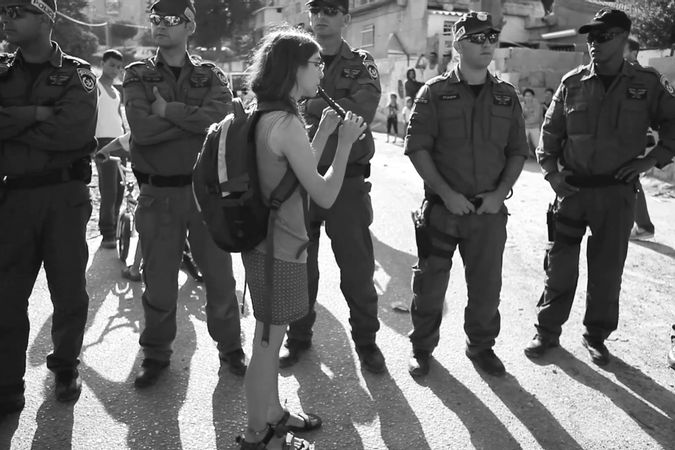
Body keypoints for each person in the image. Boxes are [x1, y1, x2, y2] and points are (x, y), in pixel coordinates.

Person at [233, 27, 366, 450]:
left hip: (264, 243)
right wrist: (344, 143)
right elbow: (323, 191)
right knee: (268, 343)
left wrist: (324, 133)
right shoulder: (287, 122)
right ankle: (257, 434)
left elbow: (286, 173)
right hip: (281, 247)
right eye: (315, 63)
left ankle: (272, 414)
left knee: (267, 336)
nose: (321, 69)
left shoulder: (266, 113)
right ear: (294, 68)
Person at [525, 9, 675, 366]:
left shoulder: (647, 84)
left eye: (603, 36)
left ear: (624, 39)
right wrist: (552, 175)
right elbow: (550, 134)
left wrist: (649, 161)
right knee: (559, 266)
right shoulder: (572, 82)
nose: (594, 43)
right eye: (591, 37)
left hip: (616, 195)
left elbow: (673, 123)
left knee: (607, 271)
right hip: (573, 193)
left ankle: (596, 336)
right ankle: (546, 332)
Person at [122, 0, 245, 387]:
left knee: (221, 280)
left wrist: (167, 111)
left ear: (190, 25)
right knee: (158, 282)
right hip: (159, 195)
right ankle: (156, 354)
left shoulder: (211, 75)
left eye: (170, 19)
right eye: (155, 18)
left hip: (205, 196)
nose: (159, 25)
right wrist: (190, 121)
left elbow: (221, 121)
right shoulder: (138, 73)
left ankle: (231, 349)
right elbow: (141, 131)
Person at [404, 11, 528, 378]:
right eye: (477, 37)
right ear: (458, 44)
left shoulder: (506, 96)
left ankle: (481, 347)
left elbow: (518, 150)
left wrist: (500, 193)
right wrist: (445, 192)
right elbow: (417, 148)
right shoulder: (434, 93)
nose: (487, 42)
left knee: (487, 289)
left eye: (491, 36)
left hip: (488, 214)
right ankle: (422, 348)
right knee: (429, 285)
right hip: (444, 211)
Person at [0, 0, 98, 414]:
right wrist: (41, 112)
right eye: (4, 12)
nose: (7, 19)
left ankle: (64, 365)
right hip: (13, 197)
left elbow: (73, 132)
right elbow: (55, 126)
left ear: (45, 18)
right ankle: (7, 383)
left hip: (64, 197)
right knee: (6, 296)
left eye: (17, 12)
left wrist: (13, 121)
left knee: (69, 289)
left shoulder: (78, 73)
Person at [279, 0, 385, 374]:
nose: (321, 16)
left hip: (348, 181)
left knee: (356, 267)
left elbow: (360, 113)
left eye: (331, 9)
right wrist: (321, 109)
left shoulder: (361, 63)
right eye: (316, 9)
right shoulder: (292, 58)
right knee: (300, 266)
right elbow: (276, 106)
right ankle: (299, 339)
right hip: (300, 179)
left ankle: (367, 342)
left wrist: (306, 105)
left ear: (346, 18)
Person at [624, 37, 656, 240]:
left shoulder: (639, 76)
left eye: (622, 48)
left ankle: (644, 226)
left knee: (629, 179)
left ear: (634, 53)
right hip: (628, 138)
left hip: (633, 138)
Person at [95, 49, 126, 249]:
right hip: (102, 143)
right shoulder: (94, 87)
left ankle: (115, 228)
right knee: (108, 189)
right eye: (111, 65)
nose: (114, 70)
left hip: (119, 142)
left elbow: (118, 117)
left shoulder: (116, 91)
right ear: (103, 63)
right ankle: (107, 233)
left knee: (121, 189)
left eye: (118, 67)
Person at [522, 88, 542, 158]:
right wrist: (529, 116)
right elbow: (520, 117)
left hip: (535, 126)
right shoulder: (522, 105)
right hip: (524, 127)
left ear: (533, 96)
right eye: (526, 96)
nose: (528, 98)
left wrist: (526, 117)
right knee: (522, 141)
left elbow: (536, 118)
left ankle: (541, 157)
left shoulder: (537, 104)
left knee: (538, 144)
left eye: (529, 96)